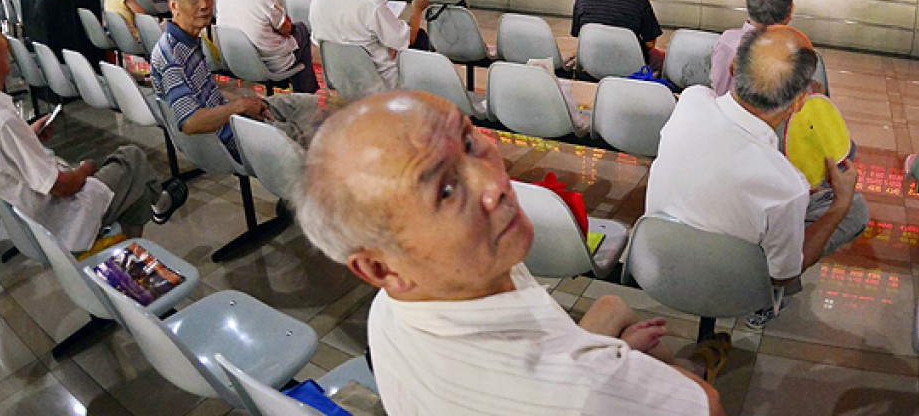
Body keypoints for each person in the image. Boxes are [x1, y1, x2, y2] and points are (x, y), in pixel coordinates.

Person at [294, 91, 723, 416]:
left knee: (611, 306)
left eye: (467, 141)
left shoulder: (391, 309)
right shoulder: (580, 393)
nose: (495, 183)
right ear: (379, 266)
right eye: (445, 190)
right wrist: (616, 371)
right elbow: (708, 405)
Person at [645, 26, 870, 329]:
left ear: (733, 67)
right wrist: (839, 206)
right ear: (801, 101)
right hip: (731, 290)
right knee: (855, 209)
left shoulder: (691, 101)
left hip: (655, 263)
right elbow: (784, 275)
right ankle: (765, 307)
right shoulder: (786, 186)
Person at [0, 15, 187, 250]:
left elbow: (5, 166)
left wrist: (29, 137)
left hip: (32, 218)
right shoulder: (1, 122)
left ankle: (134, 245)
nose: (7, 45)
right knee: (132, 158)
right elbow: (63, 186)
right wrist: (85, 168)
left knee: (137, 190)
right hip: (65, 218)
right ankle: (160, 206)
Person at [151, 0, 323, 160]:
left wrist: (241, 101)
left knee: (306, 104)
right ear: (174, 6)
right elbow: (190, 122)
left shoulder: (187, 41)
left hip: (230, 119)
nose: (204, 5)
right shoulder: (172, 55)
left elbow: (203, 95)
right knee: (302, 135)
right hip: (227, 139)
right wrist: (239, 106)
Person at [215, 0, 318, 93]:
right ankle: (306, 93)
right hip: (269, 63)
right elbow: (286, 28)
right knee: (301, 30)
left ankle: (305, 91)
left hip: (237, 61)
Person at [710, 0, 793, 96]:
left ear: (746, 1)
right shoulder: (796, 55)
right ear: (790, 11)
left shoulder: (727, 43)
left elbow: (718, 91)